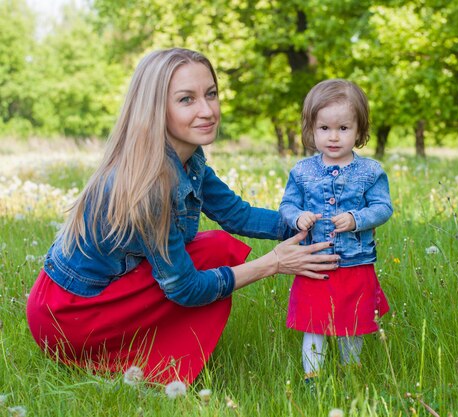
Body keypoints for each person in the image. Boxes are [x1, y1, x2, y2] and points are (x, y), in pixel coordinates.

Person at [25, 48, 339, 386]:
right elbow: (184, 289)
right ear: (156, 108)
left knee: (214, 247)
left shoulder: (190, 159)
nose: (207, 111)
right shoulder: (146, 183)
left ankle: (145, 358)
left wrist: (307, 221)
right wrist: (274, 263)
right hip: (68, 315)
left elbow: (237, 214)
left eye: (211, 94)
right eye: (186, 99)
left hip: (85, 299)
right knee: (213, 253)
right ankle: (140, 363)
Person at [279, 79, 393, 384]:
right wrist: (298, 216)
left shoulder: (370, 172)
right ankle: (312, 379)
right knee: (313, 324)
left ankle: (350, 374)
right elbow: (287, 205)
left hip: (355, 262)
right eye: (324, 128)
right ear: (311, 129)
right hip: (313, 263)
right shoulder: (302, 171)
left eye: (343, 128)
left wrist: (357, 218)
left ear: (359, 130)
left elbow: (383, 207)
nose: (333, 137)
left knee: (351, 326)